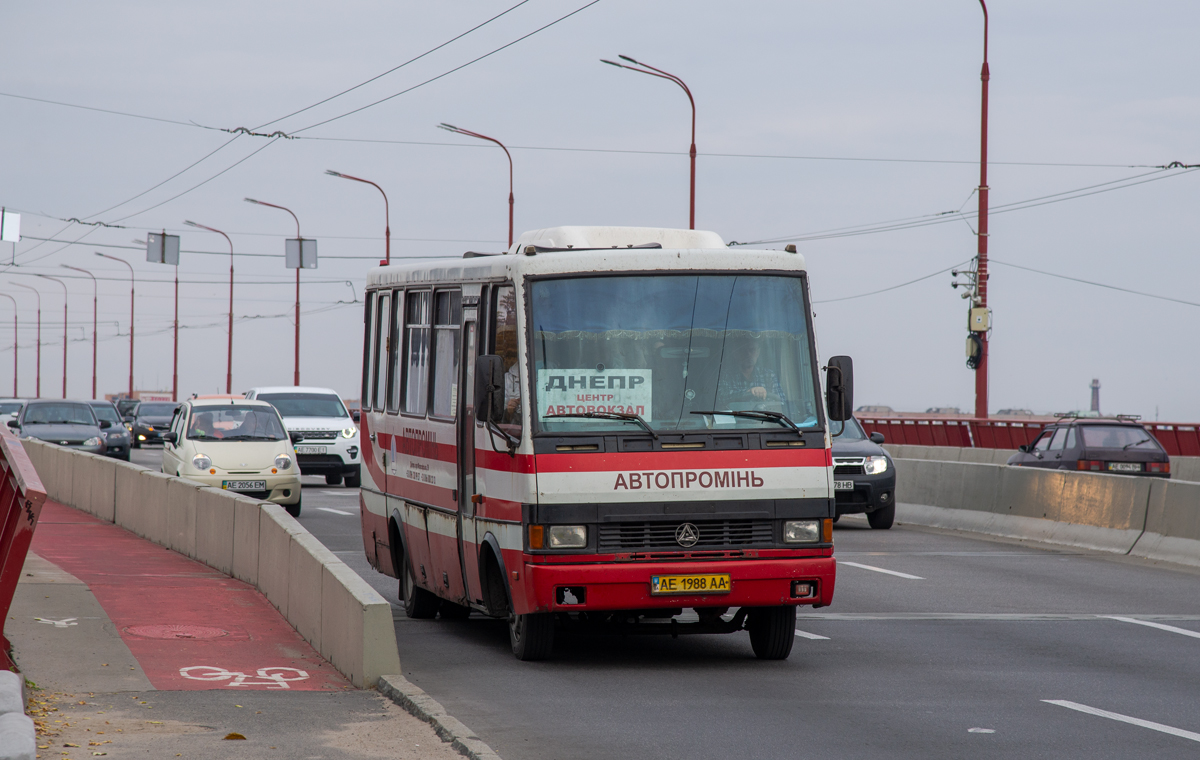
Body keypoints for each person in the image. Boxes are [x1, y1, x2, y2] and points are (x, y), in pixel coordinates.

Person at [717, 339, 785, 409]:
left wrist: (765, 393)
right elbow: (721, 399)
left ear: (758, 352)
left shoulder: (769, 375)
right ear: (735, 353)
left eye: (752, 350)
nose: (748, 354)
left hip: (766, 419)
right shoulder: (726, 375)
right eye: (743, 350)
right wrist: (748, 392)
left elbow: (782, 401)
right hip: (737, 418)